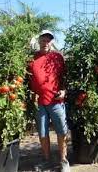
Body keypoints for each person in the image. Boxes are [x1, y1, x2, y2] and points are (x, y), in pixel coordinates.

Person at [28, 30, 70, 172]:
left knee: (61, 131)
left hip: (56, 101)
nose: (45, 42)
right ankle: (46, 160)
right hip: (39, 103)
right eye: (43, 40)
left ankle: (63, 160)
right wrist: (31, 93)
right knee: (43, 133)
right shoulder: (32, 59)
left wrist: (64, 91)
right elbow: (28, 81)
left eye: (48, 40)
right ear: (38, 41)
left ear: (51, 42)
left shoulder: (58, 57)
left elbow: (66, 78)